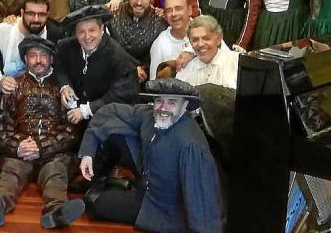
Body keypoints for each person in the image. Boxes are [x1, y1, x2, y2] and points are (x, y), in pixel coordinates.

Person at [77, 78, 222, 232]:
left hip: (165, 212)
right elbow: (109, 112)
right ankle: (101, 180)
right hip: (145, 189)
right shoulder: (149, 115)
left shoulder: (191, 145)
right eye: (159, 101)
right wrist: (88, 152)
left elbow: (202, 204)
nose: (163, 108)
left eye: (171, 102)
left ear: (184, 105)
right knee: (116, 130)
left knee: (95, 205)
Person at [0, 36, 84, 229]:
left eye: (43, 55)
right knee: (10, 172)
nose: (38, 60)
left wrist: (42, 147)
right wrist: (18, 146)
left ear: (51, 59)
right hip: (20, 151)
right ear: (25, 59)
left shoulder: (64, 88)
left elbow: (71, 130)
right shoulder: (12, 86)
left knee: (56, 173)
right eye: (33, 55)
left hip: (53, 153)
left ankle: (57, 213)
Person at [0, 0, 65, 133]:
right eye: (31, 14)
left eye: (41, 15)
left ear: (48, 15)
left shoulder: (56, 34)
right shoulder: (0, 32)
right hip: (6, 97)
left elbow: (63, 69)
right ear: (21, 13)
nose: (36, 19)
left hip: (45, 96)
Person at [56, 6, 139, 128]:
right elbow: (59, 67)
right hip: (73, 118)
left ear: (101, 28)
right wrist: (65, 85)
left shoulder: (120, 58)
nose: (87, 36)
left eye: (91, 30)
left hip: (108, 122)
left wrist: (87, 110)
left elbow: (122, 95)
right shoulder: (65, 47)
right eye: (81, 32)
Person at [107, 0, 167, 84]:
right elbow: (107, 49)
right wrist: (131, 67)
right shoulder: (112, 16)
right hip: (114, 77)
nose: (139, 2)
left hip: (145, 80)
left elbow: (157, 58)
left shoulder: (160, 22)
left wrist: (141, 70)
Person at [177, 15, 239, 89]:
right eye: (195, 40)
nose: (200, 44)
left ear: (218, 39)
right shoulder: (185, 68)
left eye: (206, 38)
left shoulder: (237, 62)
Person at [149, 0, 192, 80]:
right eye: (169, 10)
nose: (174, 14)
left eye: (178, 9)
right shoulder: (160, 44)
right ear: (165, 16)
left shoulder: (206, 31)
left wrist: (192, 51)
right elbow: (155, 83)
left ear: (190, 10)